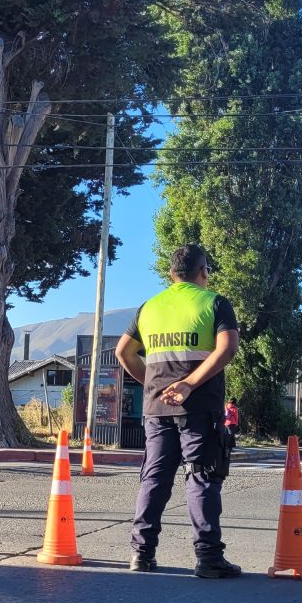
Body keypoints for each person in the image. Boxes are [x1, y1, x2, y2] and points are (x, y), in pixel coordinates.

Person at [115, 244, 241, 578]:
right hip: (198, 408)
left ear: (171, 274)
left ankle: (141, 554)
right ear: (204, 272)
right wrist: (189, 384)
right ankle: (208, 558)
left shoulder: (149, 308)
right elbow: (228, 349)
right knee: (201, 476)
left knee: (154, 477)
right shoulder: (214, 302)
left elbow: (124, 353)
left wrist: (153, 385)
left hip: (156, 409)